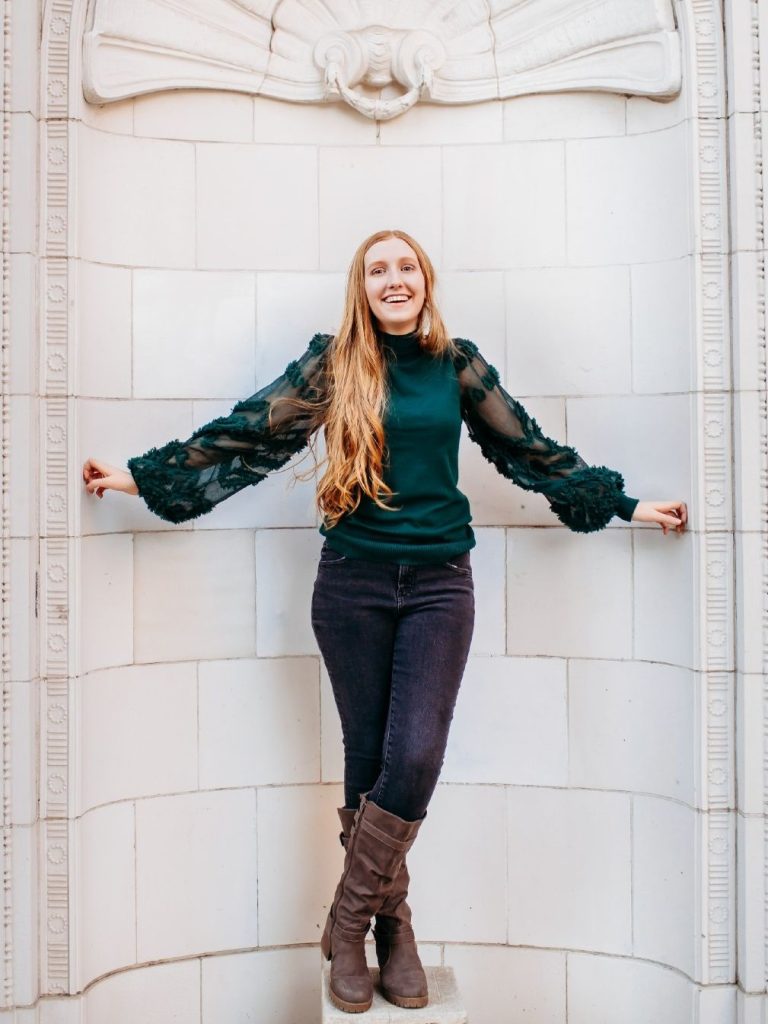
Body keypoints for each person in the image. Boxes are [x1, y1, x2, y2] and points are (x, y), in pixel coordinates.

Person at [82, 229, 688, 1014]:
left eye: (406, 267)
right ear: (362, 287)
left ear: (425, 280)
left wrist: (627, 506)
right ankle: (394, 931)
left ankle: (347, 920)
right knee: (369, 762)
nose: (393, 279)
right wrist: (141, 477)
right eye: (378, 270)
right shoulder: (334, 364)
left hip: (441, 584)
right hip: (351, 585)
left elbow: (530, 452)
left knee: (416, 756)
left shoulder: (457, 364)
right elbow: (249, 431)